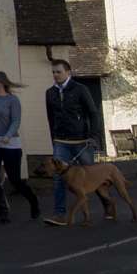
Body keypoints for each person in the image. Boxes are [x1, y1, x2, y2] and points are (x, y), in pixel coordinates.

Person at [43, 58, 103, 227]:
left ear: (68, 72)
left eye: (58, 72)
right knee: (58, 178)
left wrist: (93, 135)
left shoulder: (80, 89)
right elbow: (50, 117)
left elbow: (93, 112)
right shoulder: (50, 93)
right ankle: (60, 214)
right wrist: (53, 137)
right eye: (53, 72)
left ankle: (107, 205)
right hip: (61, 141)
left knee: (92, 176)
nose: (55, 75)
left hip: (81, 140)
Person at [0, 71, 40, 224]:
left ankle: (33, 202)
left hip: (10, 144)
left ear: (1, 82)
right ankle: (2, 213)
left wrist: (8, 135)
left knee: (15, 180)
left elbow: (16, 121)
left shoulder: (13, 100)